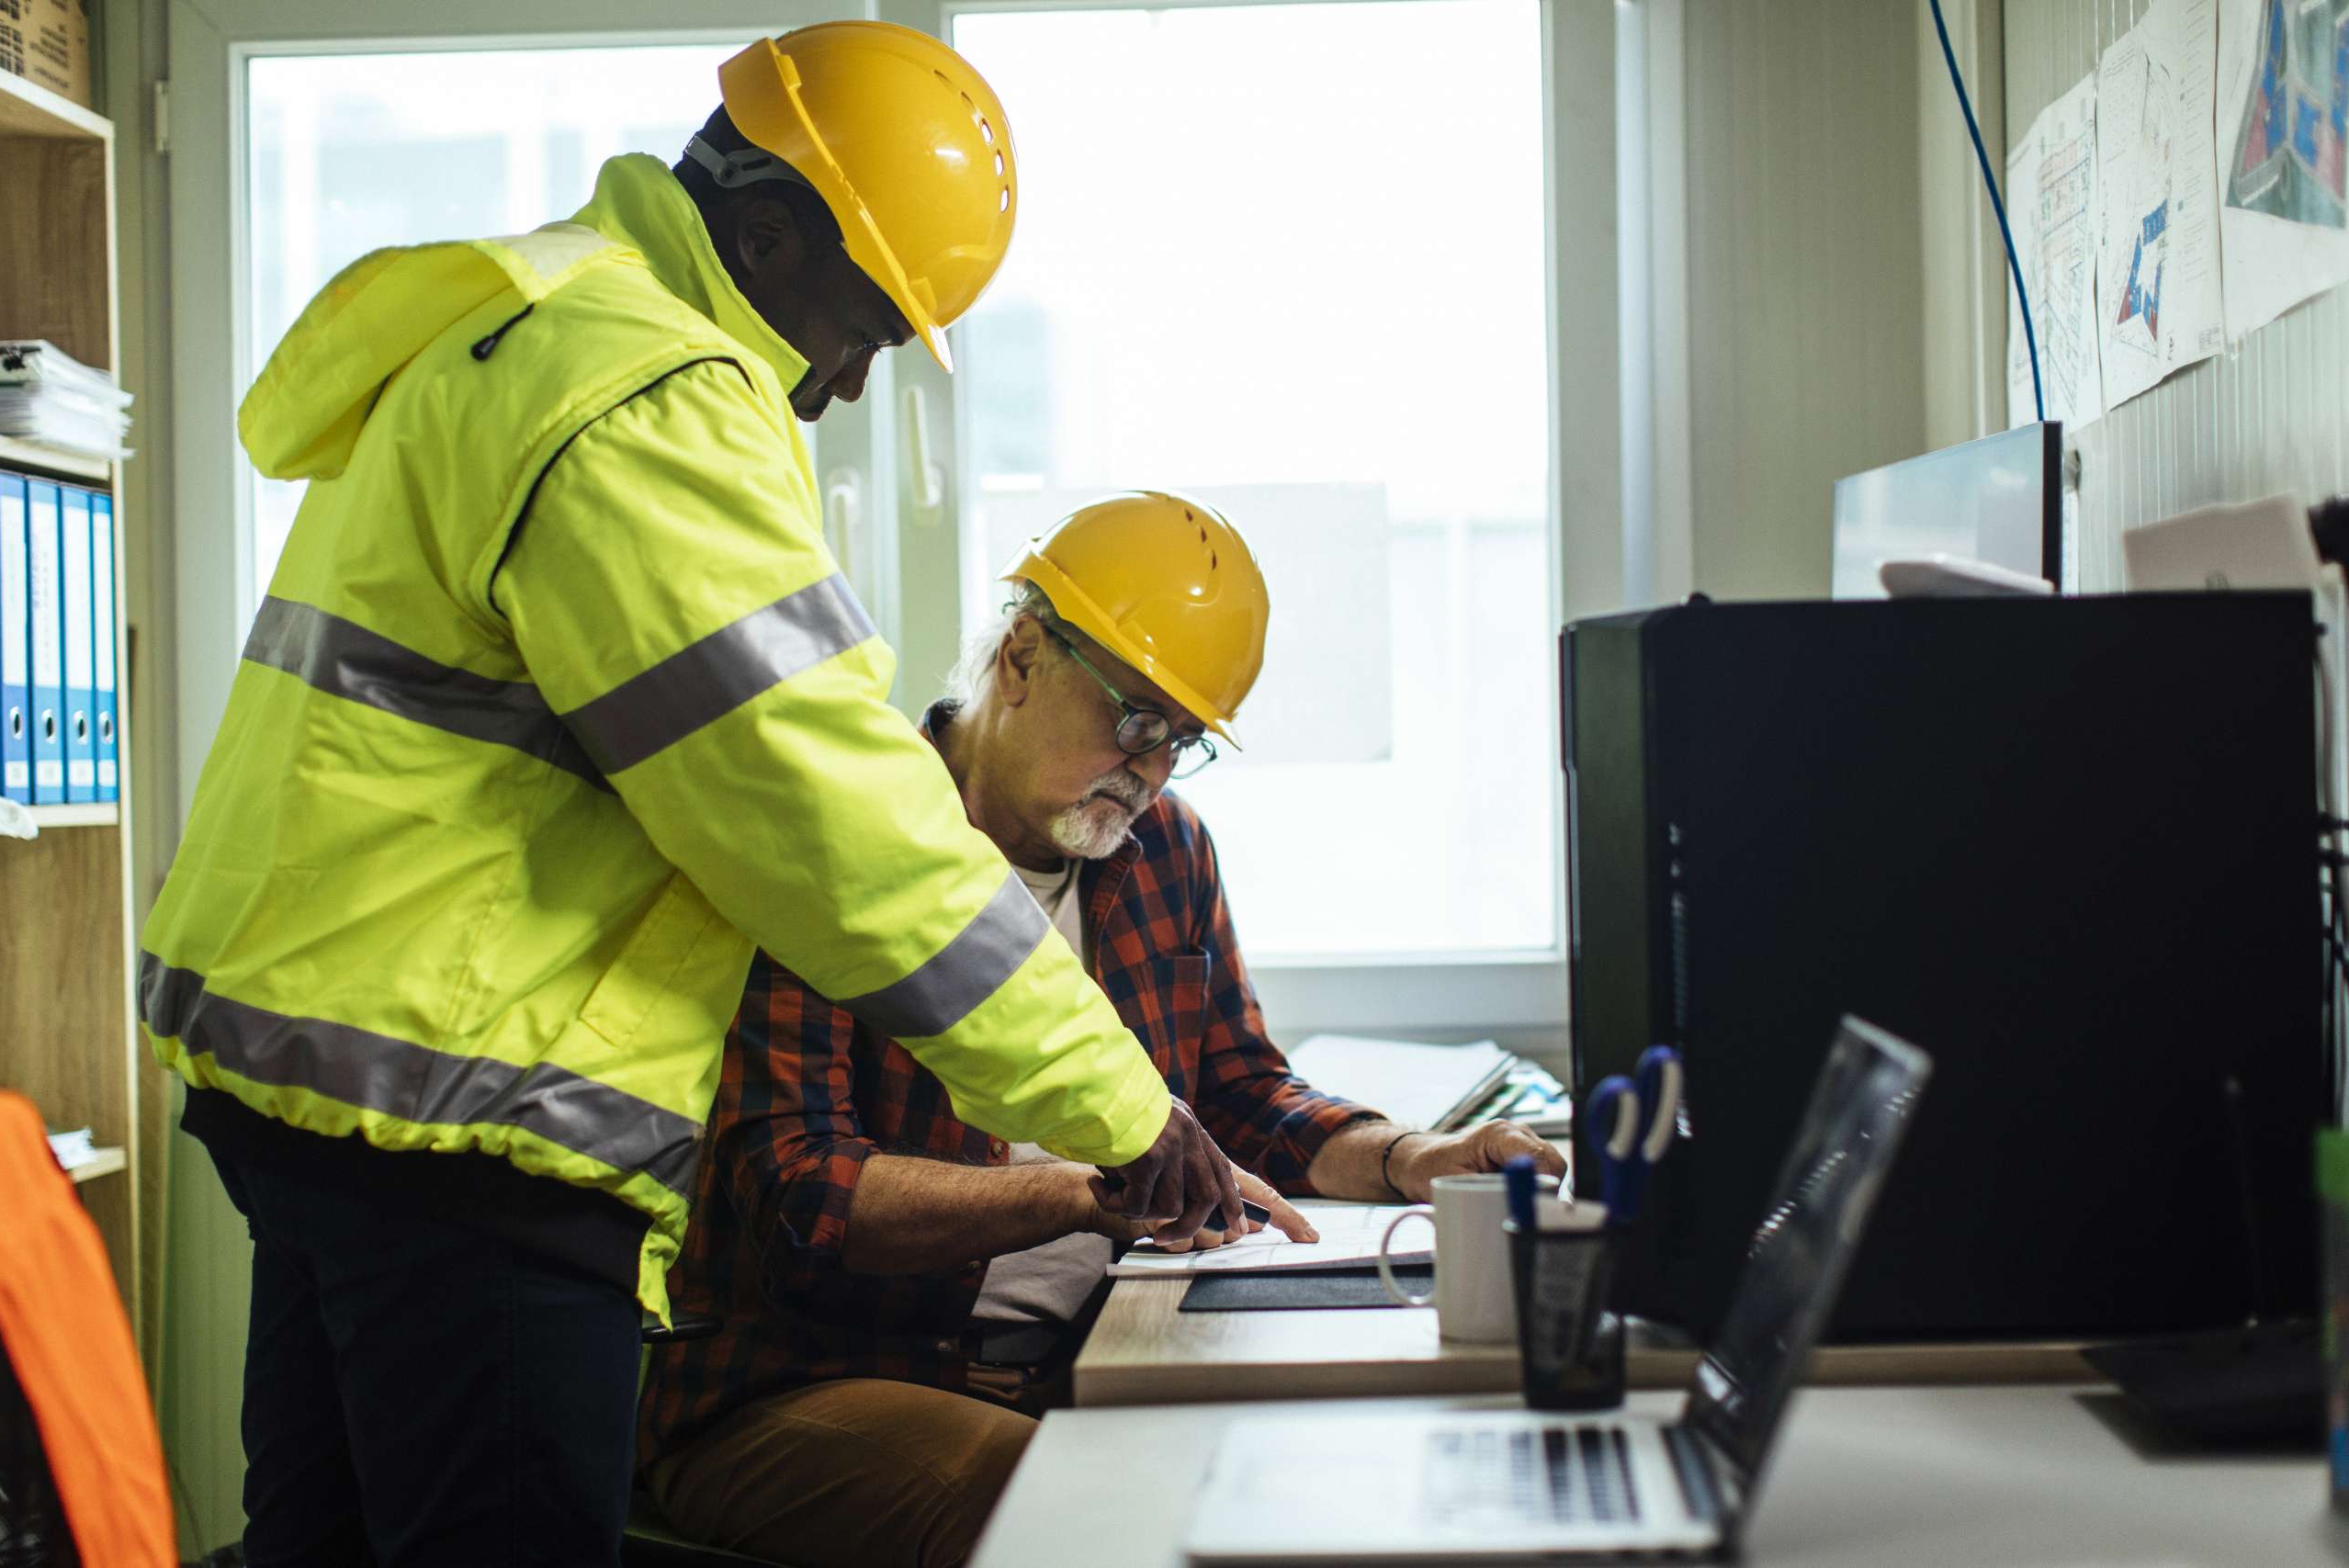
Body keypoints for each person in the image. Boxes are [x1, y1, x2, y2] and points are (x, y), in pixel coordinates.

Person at [137, 29, 1241, 1567]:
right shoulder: (648, 392)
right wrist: (1123, 1113)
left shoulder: (542, 320)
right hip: (474, 1124)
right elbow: (834, 825)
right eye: (859, 330)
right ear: (771, 231)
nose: (844, 384)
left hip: (336, 1095)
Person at [637, 493, 1567, 1568]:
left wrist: (1410, 1156)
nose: (1152, 768)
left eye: (1181, 742)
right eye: (1136, 722)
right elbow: (799, 1196)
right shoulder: (841, 846)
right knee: (1082, 1517)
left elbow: (1241, 1096)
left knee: (1328, 1484)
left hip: (1093, 1355)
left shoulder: (1164, 848)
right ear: (1022, 656)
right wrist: (1098, 1194)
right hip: (811, 1377)